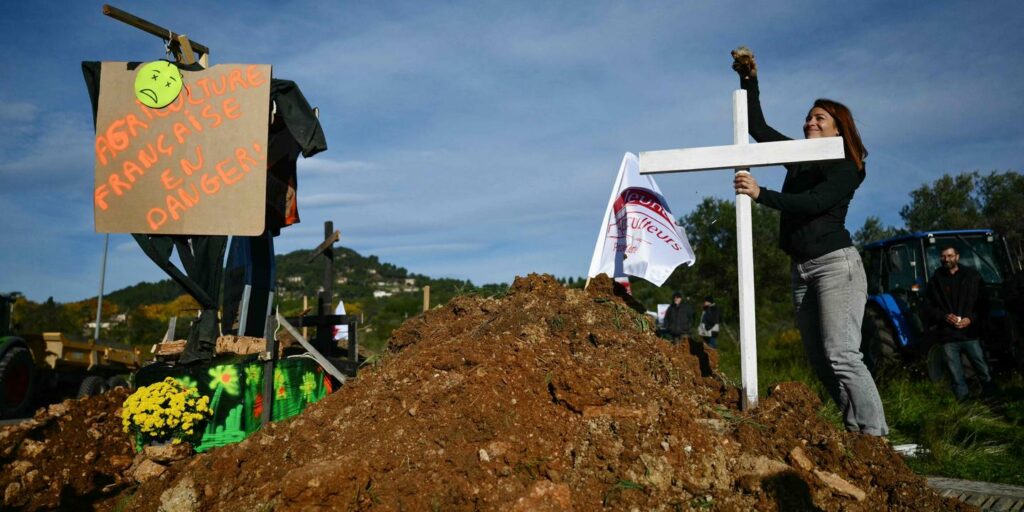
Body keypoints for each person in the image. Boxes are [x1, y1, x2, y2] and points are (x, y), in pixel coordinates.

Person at [730, 47, 888, 436]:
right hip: (800, 269)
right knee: (820, 361)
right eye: (808, 117)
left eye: (820, 117)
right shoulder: (799, 157)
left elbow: (815, 202)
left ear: (838, 128)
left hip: (836, 265)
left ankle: (874, 434)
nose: (809, 122)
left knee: (842, 355)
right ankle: (854, 431)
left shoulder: (848, 166)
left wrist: (761, 194)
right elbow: (757, 128)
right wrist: (748, 79)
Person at [924, 246, 995, 400]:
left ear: (957, 256)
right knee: (956, 374)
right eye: (943, 256)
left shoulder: (972, 276)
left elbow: (983, 303)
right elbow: (928, 307)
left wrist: (970, 319)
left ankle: (993, 398)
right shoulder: (936, 280)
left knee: (982, 368)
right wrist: (944, 316)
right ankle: (964, 404)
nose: (946, 259)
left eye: (949, 256)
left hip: (970, 333)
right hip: (948, 336)